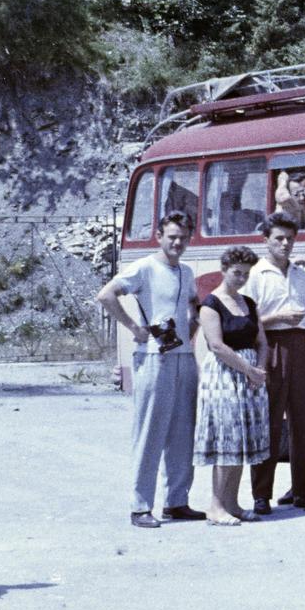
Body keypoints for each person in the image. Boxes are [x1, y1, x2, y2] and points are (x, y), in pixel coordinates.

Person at [97, 210, 204, 528]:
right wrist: (134, 327)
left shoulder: (186, 270)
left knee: (183, 432)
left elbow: (194, 304)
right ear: (159, 235)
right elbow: (106, 295)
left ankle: (177, 500)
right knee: (151, 431)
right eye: (172, 236)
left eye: (183, 237)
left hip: (183, 357)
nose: (177, 242)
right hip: (154, 358)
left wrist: (193, 323)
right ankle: (140, 505)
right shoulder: (145, 267)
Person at [249, 211, 305, 513]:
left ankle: (301, 489)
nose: (285, 244)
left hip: (301, 347)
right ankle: (261, 493)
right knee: (269, 423)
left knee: (303, 423)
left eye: (290, 239)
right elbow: (248, 321)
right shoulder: (255, 275)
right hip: (271, 347)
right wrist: (277, 318)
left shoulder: (302, 276)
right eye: (278, 238)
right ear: (266, 240)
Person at [194, 247, 270, 525]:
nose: (240, 278)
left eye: (245, 274)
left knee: (242, 442)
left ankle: (233, 504)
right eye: (236, 273)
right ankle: (216, 506)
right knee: (226, 440)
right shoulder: (210, 304)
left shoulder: (249, 303)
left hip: (250, 378)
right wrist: (249, 369)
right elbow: (216, 345)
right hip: (225, 377)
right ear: (224, 270)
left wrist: (259, 370)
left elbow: (261, 341)